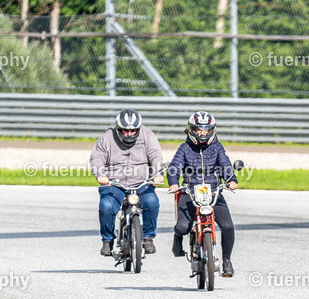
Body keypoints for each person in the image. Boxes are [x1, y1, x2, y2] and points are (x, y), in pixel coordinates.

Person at [167, 111, 239, 277]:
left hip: (213, 191)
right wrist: (173, 183)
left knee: (227, 226)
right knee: (182, 227)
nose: (203, 133)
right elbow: (174, 167)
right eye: (199, 130)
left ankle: (227, 260)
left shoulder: (217, 147)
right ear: (191, 130)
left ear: (212, 130)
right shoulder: (184, 148)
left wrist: (231, 180)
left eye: (206, 130)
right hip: (190, 191)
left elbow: (226, 165)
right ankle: (177, 238)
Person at [90, 108, 164, 257]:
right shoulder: (107, 137)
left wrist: (157, 174)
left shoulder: (148, 135)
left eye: (133, 130)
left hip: (142, 183)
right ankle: (107, 240)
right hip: (114, 183)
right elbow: (97, 158)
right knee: (106, 206)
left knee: (151, 202)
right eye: (125, 131)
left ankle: (148, 238)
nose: (129, 133)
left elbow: (156, 156)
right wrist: (101, 175)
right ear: (118, 129)